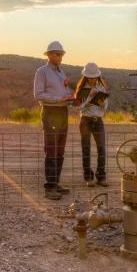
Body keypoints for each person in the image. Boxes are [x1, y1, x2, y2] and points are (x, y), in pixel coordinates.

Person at [34, 40, 74, 200]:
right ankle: (50, 188)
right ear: (49, 55)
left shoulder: (61, 72)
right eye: (57, 54)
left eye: (61, 54)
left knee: (60, 149)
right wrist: (59, 99)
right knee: (51, 149)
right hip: (51, 112)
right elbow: (38, 94)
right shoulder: (41, 71)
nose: (60, 57)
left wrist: (69, 96)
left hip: (63, 112)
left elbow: (63, 93)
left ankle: (56, 183)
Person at [73, 62, 109, 187]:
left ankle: (101, 177)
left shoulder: (102, 88)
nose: (92, 79)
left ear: (97, 76)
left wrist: (103, 105)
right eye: (90, 77)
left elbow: (104, 109)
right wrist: (89, 99)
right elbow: (77, 107)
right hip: (85, 121)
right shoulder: (82, 89)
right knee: (86, 149)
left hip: (98, 120)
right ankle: (88, 177)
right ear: (86, 77)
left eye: (94, 77)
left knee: (102, 149)